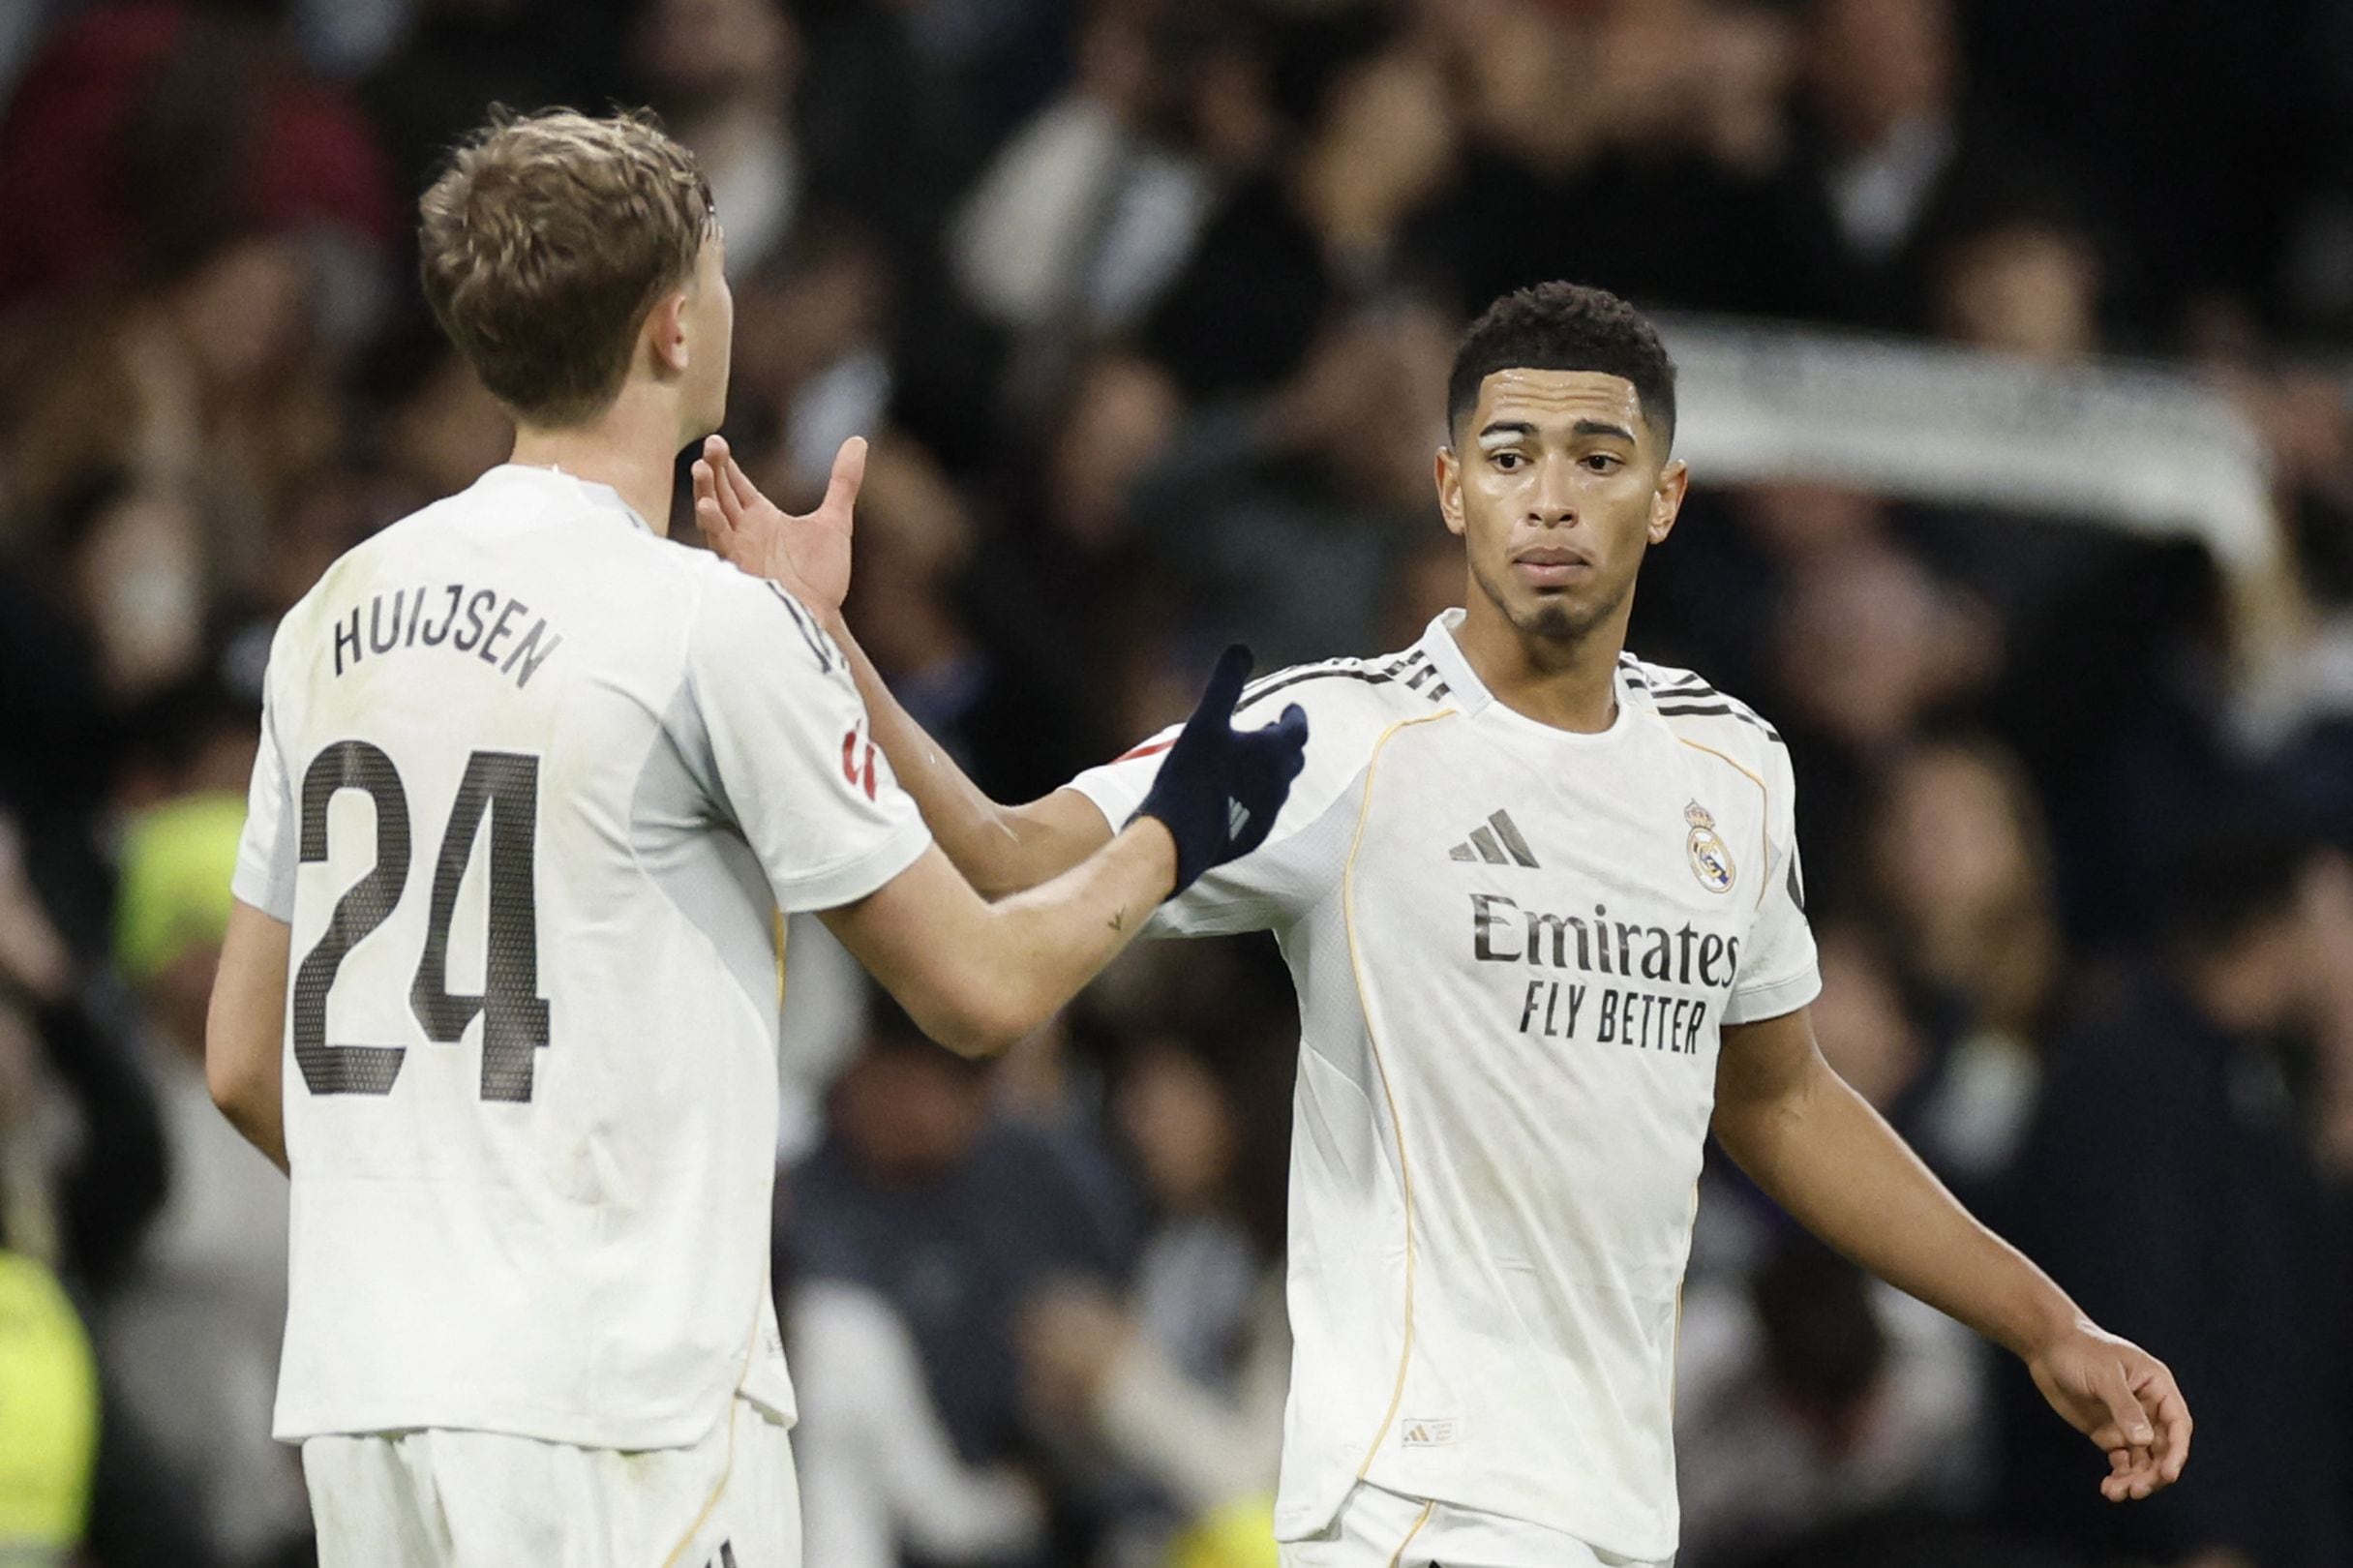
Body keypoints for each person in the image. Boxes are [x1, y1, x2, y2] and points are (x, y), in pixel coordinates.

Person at [699, 280, 2194, 1568]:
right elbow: (1014, 855)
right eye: (1511, 453)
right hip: (1408, 1510)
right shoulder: (1336, 740)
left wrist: (2046, 1322)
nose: (1552, 494)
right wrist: (824, 638)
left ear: (1665, 498)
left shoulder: (1735, 768)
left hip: (1617, 1508)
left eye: (1599, 457)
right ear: (1450, 487)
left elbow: (1784, 1098)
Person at [201, 108, 1310, 1568]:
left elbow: (238, 1061)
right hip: (620, 1412)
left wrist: (443, 1213)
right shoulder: (698, 627)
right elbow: (973, 991)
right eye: (720, 275)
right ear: (675, 330)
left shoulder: (335, 610)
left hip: (369, 1397)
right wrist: (1172, 834)